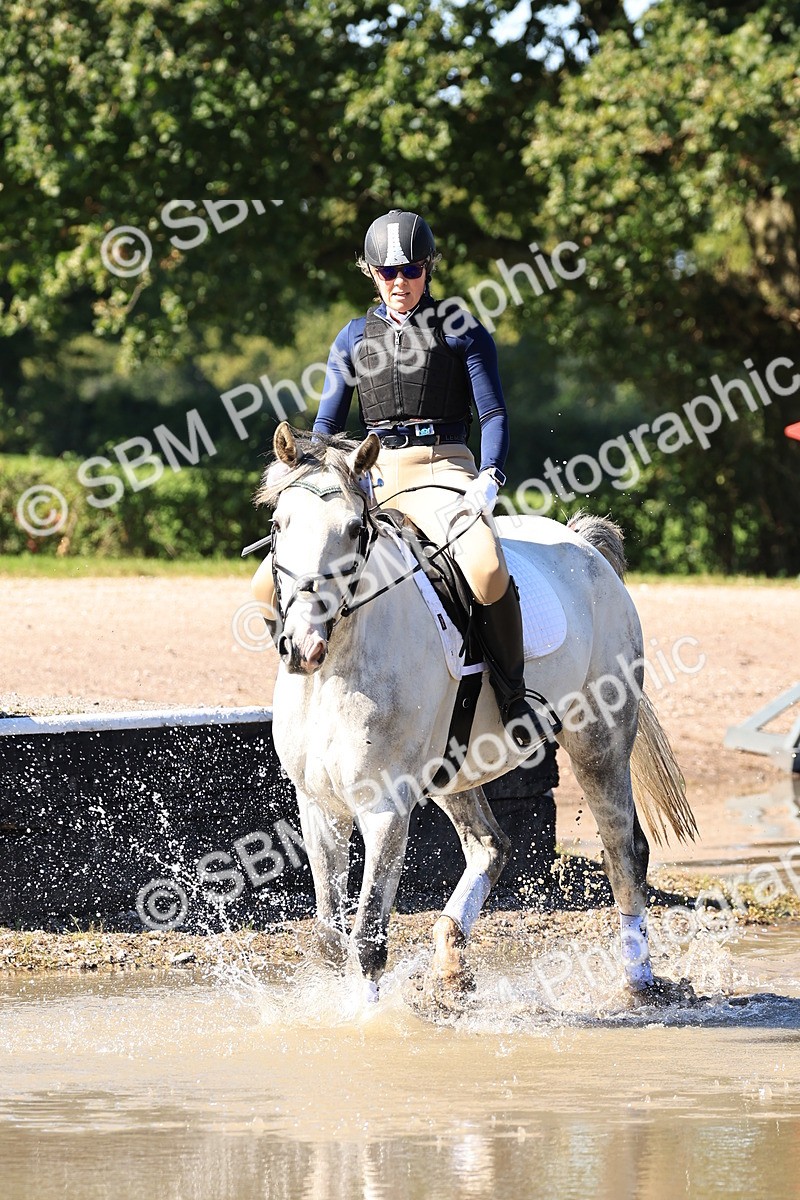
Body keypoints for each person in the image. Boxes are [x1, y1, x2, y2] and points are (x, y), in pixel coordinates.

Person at [252, 208, 540, 748]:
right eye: (386, 273)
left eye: (409, 270)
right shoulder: (352, 337)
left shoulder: (461, 329)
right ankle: (302, 673)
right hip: (371, 479)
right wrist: (310, 471)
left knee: (486, 569)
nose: (399, 283)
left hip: (444, 469)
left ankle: (513, 698)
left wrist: (490, 477)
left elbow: (493, 414)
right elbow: (328, 427)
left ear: (429, 268)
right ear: (370, 273)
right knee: (262, 585)